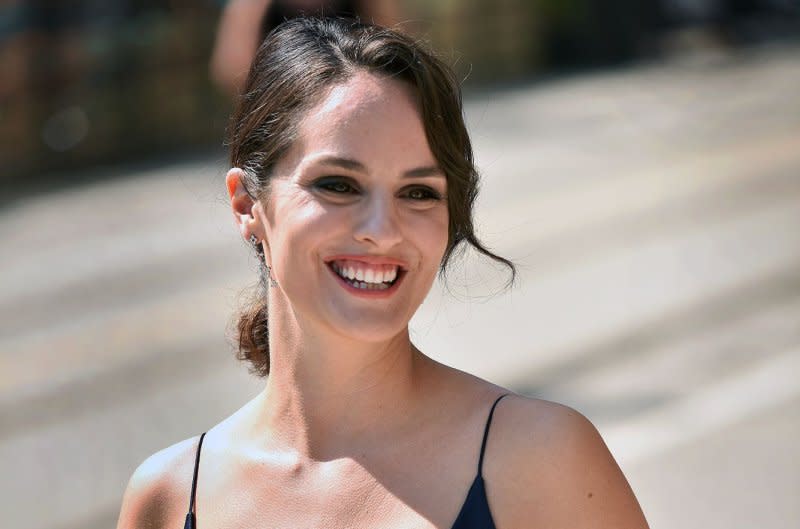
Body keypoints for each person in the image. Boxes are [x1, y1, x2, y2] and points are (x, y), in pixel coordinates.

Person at [117, 17, 650, 529]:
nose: (382, 229)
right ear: (246, 205)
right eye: (338, 185)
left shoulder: (540, 459)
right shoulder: (169, 497)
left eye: (418, 192)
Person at [210, 0, 401, 96]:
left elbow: (397, 52)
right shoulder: (254, 7)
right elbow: (229, 70)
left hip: (353, 100)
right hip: (283, 109)